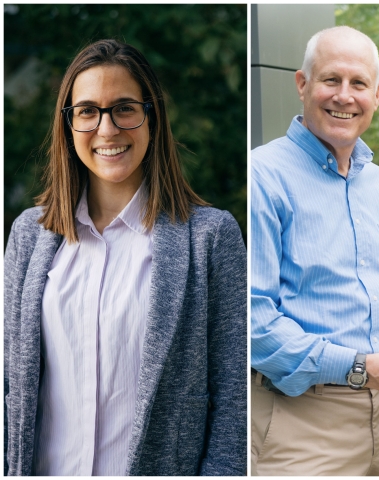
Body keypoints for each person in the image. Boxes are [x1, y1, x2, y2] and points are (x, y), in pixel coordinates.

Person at [4, 39, 246, 476]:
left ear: (151, 116)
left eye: (124, 108)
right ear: (68, 124)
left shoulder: (210, 238)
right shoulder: (29, 236)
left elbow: (234, 401)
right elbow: (8, 386)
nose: (107, 128)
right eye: (88, 111)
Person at [250, 26, 379, 476]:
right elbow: (252, 322)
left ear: (378, 94)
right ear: (302, 84)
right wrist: (363, 367)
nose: (344, 96)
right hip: (303, 423)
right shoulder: (261, 178)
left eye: (359, 83)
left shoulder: (378, 184)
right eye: (331, 80)